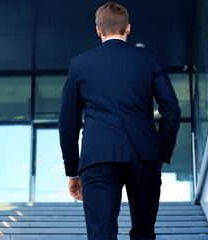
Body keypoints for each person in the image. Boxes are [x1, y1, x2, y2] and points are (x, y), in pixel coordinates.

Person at [59, 2, 181, 239]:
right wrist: (161, 153)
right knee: (144, 232)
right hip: (144, 156)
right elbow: (172, 110)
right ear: (128, 28)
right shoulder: (150, 59)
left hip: (98, 158)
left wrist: (73, 171)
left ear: (98, 30)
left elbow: (67, 122)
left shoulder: (79, 65)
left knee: (101, 234)